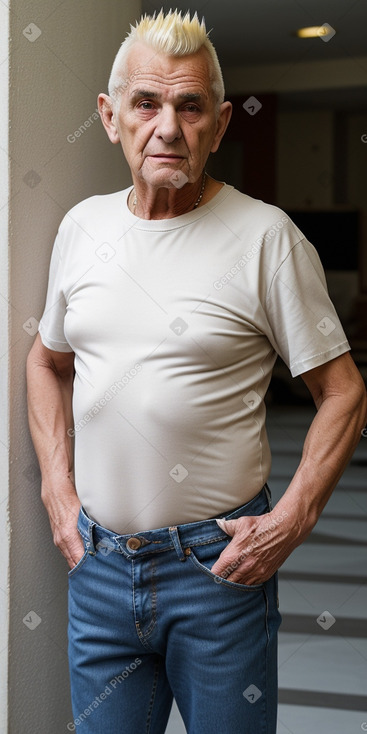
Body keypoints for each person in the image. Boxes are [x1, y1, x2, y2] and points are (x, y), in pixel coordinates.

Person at [26, 9, 366, 734]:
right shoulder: (81, 228)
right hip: (99, 570)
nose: (168, 128)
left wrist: (292, 518)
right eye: (146, 104)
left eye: (189, 106)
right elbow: (46, 361)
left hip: (218, 572)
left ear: (218, 123)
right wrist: (58, 490)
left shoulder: (266, 238)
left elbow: (342, 391)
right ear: (109, 116)